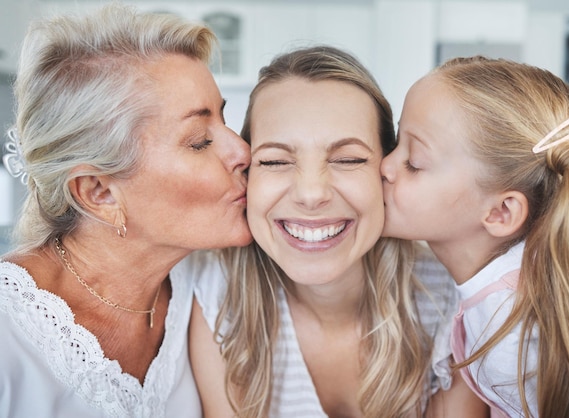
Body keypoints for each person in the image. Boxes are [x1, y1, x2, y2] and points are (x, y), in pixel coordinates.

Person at [190, 45, 486, 418]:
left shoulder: (451, 299)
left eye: (349, 159)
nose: (312, 194)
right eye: (275, 160)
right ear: (248, 173)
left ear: (389, 170)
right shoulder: (219, 294)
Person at [0, 4, 251, 417]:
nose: (242, 150)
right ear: (98, 191)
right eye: (200, 141)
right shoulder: (10, 340)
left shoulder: (207, 284)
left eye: (224, 119)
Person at [380, 55, 569, 418]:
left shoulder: (512, 344)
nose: (385, 165)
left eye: (413, 162)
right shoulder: (553, 259)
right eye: (395, 143)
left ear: (501, 213)